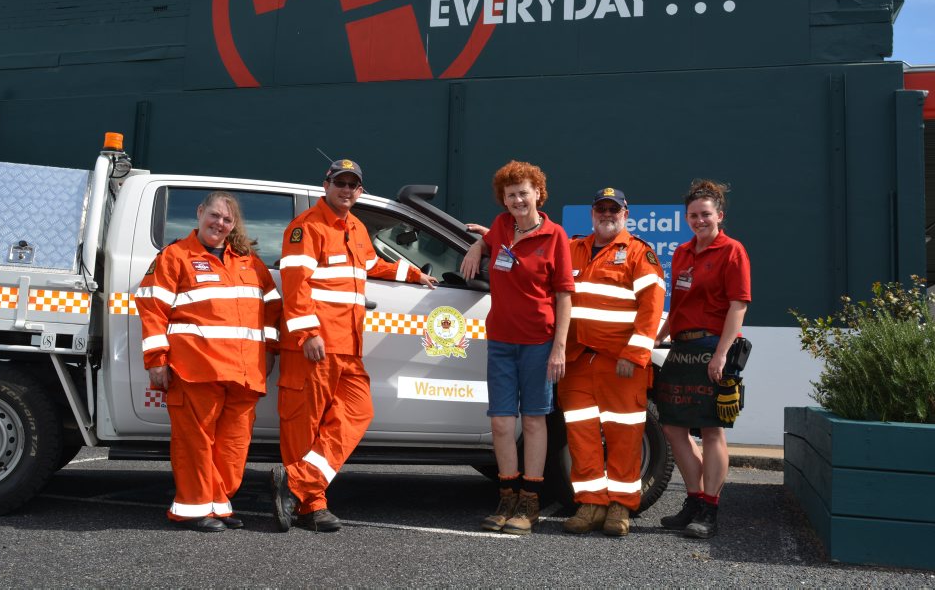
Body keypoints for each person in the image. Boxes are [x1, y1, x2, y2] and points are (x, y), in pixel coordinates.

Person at [271, 159, 438, 533]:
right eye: (340, 183)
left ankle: (295, 481)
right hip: (315, 345)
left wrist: (414, 273)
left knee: (358, 412)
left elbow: (371, 264)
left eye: (353, 185)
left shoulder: (357, 227)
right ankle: (311, 506)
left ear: (360, 190)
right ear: (326, 185)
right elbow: (296, 286)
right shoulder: (306, 228)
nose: (347, 190)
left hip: (349, 345)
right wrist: (307, 333)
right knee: (306, 426)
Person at [136, 191, 281, 532]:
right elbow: (152, 308)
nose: (219, 223)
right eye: (214, 215)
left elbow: (273, 307)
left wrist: (270, 350)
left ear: (233, 226)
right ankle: (192, 509)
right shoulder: (176, 256)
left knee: (233, 447)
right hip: (196, 368)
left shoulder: (249, 262)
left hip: (245, 373)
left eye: (227, 219)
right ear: (200, 213)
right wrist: (156, 359)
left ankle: (218, 505)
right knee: (195, 443)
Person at [460, 160, 573, 536]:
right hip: (502, 341)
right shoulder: (501, 226)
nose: (518, 200)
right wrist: (479, 244)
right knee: (501, 421)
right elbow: (489, 238)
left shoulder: (556, 236)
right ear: (504, 200)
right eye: (511, 195)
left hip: (539, 343)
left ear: (538, 193)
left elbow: (564, 297)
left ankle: (530, 500)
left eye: (524, 192)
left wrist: (559, 348)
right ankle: (507, 495)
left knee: (534, 420)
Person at [558, 187, 665, 537]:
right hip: (576, 361)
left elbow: (652, 308)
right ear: (592, 213)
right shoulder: (572, 248)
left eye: (613, 209)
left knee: (625, 434)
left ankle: (620, 507)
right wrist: (488, 241)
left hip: (620, 364)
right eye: (601, 209)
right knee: (581, 434)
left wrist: (634, 354)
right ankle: (590, 504)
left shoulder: (639, 253)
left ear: (625, 214)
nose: (607, 214)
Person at [654, 179, 751, 539]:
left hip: (714, 347)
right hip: (681, 347)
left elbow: (738, 306)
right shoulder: (681, 252)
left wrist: (722, 354)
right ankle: (694, 500)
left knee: (711, 429)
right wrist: (661, 336)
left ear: (719, 215)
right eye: (693, 215)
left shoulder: (732, 251)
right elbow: (677, 305)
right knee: (673, 427)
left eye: (705, 214)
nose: (699, 220)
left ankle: (710, 507)